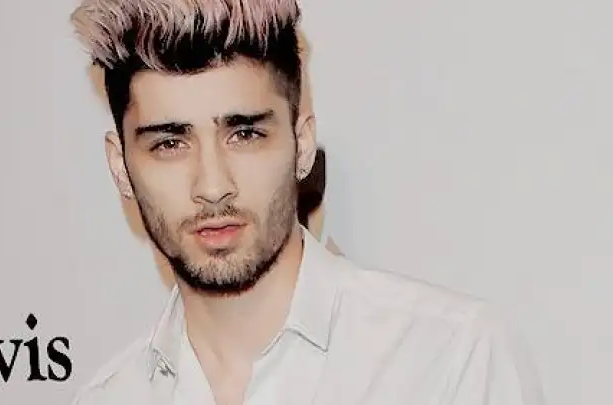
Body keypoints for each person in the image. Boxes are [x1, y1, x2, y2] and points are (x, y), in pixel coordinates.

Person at [69, 0, 545, 404]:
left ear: (302, 145)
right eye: (170, 144)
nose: (212, 186)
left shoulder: (450, 359)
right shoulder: (110, 397)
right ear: (120, 166)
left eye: (245, 134)